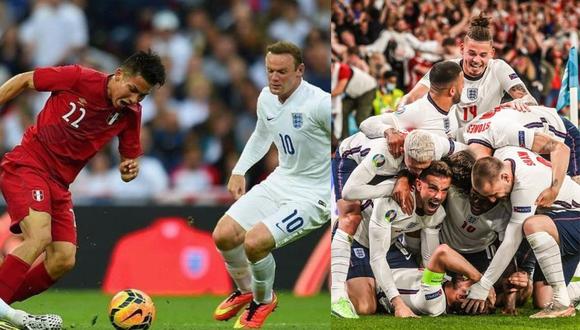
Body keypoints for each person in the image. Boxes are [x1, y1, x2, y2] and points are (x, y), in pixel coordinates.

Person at [0, 50, 166, 328]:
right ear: (119, 75)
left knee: (62, 260)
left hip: (61, 185)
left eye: (142, 96)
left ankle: (3, 307)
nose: (135, 99)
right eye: (134, 90)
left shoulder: (131, 114)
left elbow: (128, 161)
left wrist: (129, 169)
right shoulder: (78, 77)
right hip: (28, 165)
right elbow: (24, 80)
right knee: (39, 237)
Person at [211, 41, 330, 328]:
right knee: (224, 235)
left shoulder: (320, 104)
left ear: (300, 70)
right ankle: (245, 290)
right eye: (270, 71)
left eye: (282, 71)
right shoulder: (266, 97)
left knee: (254, 242)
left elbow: (347, 141)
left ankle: (263, 301)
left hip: (314, 195)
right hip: (280, 180)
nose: (275, 77)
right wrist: (240, 170)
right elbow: (262, 134)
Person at [331, 130, 464, 318]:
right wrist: (390, 186)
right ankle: (337, 292)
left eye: (444, 191)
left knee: (414, 284)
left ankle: (377, 288)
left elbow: (467, 149)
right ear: (418, 184)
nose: (438, 197)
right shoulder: (386, 162)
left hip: (388, 244)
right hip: (361, 239)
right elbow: (349, 192)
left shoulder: (436, 147)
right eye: (433, 188)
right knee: (364, 307)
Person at [466, 147, 580, 318]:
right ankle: (564, 296)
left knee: (531, 225)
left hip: (574, 217)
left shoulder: (525, 185)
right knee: (543, 300)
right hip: (561, 223)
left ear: (505, 177)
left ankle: (561, 303)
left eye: (494, 193)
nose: (492, 200)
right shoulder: (504, 155)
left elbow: (512, 241)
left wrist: (484, 285)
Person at [401, 14, 538, 142]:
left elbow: (530, 101)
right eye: (471, 53)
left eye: (483, 55)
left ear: (492, 53)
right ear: (462, 49)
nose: (476, 60)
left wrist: (518, 104)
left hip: (485, 140)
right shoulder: (447, 68)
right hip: (450, 139)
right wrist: (398, 118)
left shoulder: (499, 68)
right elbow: (411, 97)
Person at [359, 60, 463, 158]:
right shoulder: (418, 111)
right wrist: (389, 132)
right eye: (462, 83)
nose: (464, 87)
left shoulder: (452, 108)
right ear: (452, 91)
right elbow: (367, 123)